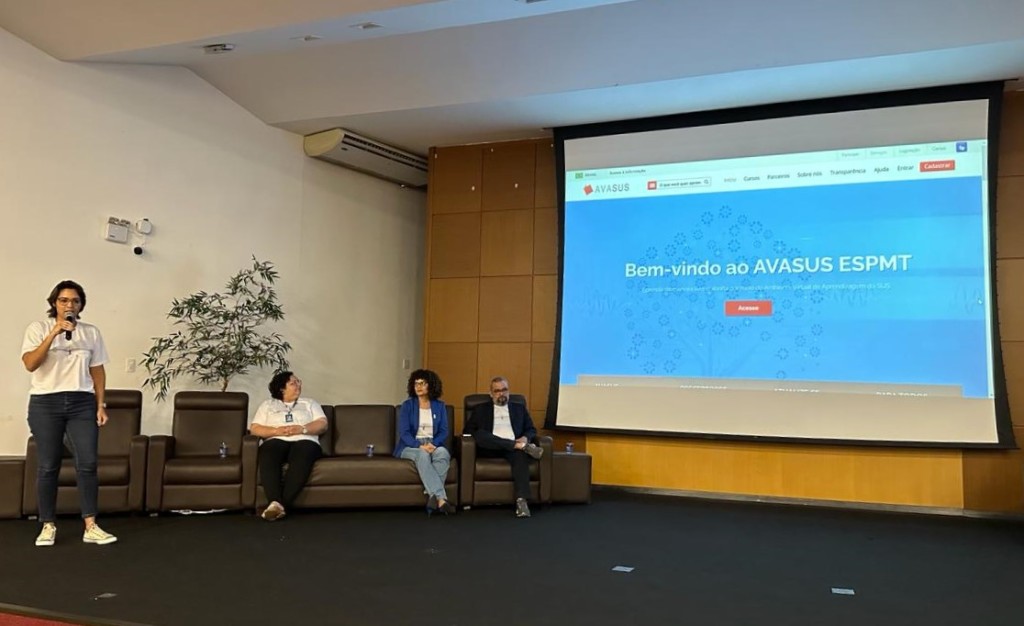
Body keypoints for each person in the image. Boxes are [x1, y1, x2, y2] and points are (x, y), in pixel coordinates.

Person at [21, 280, 117, 546]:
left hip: (81, 402)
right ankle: (47, 524)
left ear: (81, 305)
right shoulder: (38, 328)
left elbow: (97, 371)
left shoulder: (91, 332)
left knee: (88, 463)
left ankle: (91, 525)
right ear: (54, 303)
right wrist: (54, 333)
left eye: (75, 300)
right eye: (63, 300)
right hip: (45, 403)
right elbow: (30, 364)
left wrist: (100, 404)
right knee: (48, 465)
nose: (69, 305)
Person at [249, 371, 328, 521]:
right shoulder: (267, 405)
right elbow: (255, 428)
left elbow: (322, 424)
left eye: (299, 382)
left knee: (303, 450)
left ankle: (277, 505)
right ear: (282, 389)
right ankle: (278, 504)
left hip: (305, 439)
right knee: (268, 451)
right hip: (276, 439)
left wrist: (302, 429)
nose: (298, 385)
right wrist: (275, 431)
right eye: (293, 383)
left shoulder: (310, 403)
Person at [464, 376, 543, 518]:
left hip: (512, 450)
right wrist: (517, 444)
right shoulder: (480, 409)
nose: (501, 393)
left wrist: (525, 438)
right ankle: (520, 446)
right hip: (490, 448)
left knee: (520, 455)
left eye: (504, 390)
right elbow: (468, 430)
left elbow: (531, 429)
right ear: (491, 394)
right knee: (480, 434)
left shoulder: (519, 408)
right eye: (497, 391)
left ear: (509, 391)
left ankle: (521, 501)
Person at [394, 369, 454, 515]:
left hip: (433, 443)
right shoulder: (408, 405)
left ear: (431, 385)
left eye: (422, 383)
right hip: (410, 445)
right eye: (416, 384)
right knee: (422, 454)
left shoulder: (439, 406)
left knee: (443, 453)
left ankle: (432, 497)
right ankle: (441, 499)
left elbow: (444, 431)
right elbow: (404, 433)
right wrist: (420, 446)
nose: (418, 387)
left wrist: (434, 444)